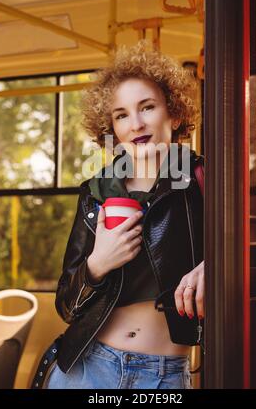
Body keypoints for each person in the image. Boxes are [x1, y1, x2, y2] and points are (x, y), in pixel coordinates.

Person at [46, 40, 204, 389]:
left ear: (174, 113)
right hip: (87, 369)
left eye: (147, 107)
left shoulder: (205, 180)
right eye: (121, 115)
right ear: (112, 129)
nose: (135, 124)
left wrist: (219, 266)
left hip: (163, 377)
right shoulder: (96, 191)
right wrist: (97, 264)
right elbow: (67, 307)